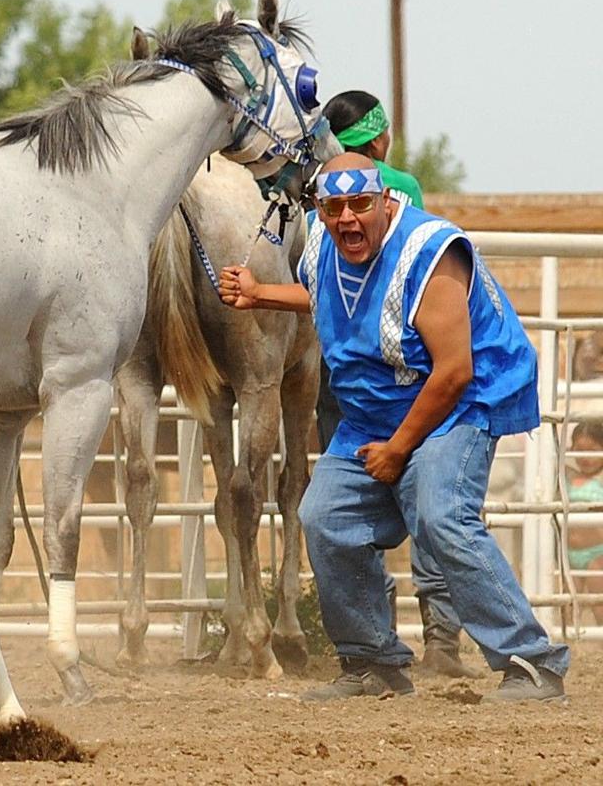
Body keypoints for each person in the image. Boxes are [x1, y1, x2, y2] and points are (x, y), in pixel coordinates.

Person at [219, 153, 570, 702]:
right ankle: (372, 662)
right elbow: (328, 297)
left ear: (385, 202)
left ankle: (530, 661)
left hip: (458, 403)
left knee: (441, 514)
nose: (347, 219)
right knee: (323, 516)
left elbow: (454, 370)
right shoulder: (322, 245)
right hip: (374, 411)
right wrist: (260, 293)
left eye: (360, 205)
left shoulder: (429, 252)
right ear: (321, 209)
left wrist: (399, 449)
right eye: (334, 208)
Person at [317, 90, 472, 677]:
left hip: (346, 373)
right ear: (379, 140)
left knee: (349, 509)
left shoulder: (324, 194)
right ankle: (440, 639)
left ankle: (373, 644)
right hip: (403, 373)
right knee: (428, 507)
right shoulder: (397, 186)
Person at [567, 422, 603, 625]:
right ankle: (570, 644)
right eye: (579, 450)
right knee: (566, 604)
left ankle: (600, 645)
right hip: (568, 554)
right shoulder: (568, 476)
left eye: (593, 451)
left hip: (597, 553)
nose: (586, 457)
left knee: (599, 605)